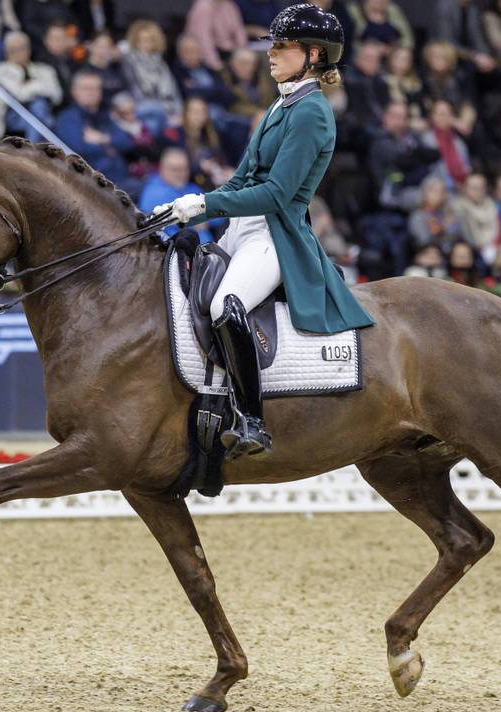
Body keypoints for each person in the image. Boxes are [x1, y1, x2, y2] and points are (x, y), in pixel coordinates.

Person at [149, 2, 373, 458]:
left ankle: (251, 420)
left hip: (275, 234)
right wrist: (185, 207)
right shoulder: (279, 105)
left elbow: (275, 194)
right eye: (272, 46)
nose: (270, 54)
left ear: (313, 54)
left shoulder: (311, 112)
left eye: (281, 46)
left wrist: (205, 204)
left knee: (226, 304)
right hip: (240, 228)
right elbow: (240, 181)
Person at [55, 71, 135, 189]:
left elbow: (127, 142)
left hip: (121, 179)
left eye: (95, 88)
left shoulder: (104, 115)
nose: (91, 93)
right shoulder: (68, 118)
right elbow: (78, 150)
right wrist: (109, 148)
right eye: (86, 88)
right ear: (74, 92)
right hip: (94, 184)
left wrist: (102, 138)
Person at [0, 31, 62, 140]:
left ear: (29, 49)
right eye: (13, 50)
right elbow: (20, 94)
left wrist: (28, 86)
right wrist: (39, 85)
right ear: (6, 53)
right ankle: (36, 146)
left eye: (22, 48)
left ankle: (33, 147)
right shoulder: (0, 70)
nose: (19, 53)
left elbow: (57, 95)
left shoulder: (45, 69)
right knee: (39, 111)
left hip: (42, 114)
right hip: (14, 117)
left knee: (39, 106)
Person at [165, 97, 233, 189]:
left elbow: (221, 158)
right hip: (188, 183)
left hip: (212, 179)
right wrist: (200, 167)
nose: (199, 116)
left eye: (203, 112)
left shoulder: (211, 134)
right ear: (186, 113)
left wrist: (225, 169)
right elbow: (177, 166)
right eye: (195, 112)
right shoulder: (177, 136)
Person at [171, 33, 236, 111]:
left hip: (222, 108)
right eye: (187, 51)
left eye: (195, 50)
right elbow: (189, 95)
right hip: (197, 112)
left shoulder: (208, 69)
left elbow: (228, 95)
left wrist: (202, 90)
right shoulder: (177, 71)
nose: (191, 54)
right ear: (179, 53)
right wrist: (214, 90)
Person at [185, 0, 247, 71]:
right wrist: (215, 63)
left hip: (229, 51)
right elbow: (203, 39)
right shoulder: (203, 7)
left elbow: (239, 30)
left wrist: (243, 51)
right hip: (209, 54)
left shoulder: (230, 5)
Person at [421, 99, 471, 188]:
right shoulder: (426, 139)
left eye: (447, 114)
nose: (444, 118)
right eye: (440, 114)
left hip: (462, 187)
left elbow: (466, 167)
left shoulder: (458, 141)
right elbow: (430, 170)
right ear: (433, 116)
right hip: (437, 187)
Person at [454, 173, 500, 263]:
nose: (478, 191)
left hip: (492, 248)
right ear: (465, 188)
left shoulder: (492, 206)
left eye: (481, 188)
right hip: (469, 250)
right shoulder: (458, 208)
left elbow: (499, 233)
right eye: (474, 188)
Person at [409, 176, 464, 251]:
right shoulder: (418, 216)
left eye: (442, 191)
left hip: (451, 252)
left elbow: (457, 236)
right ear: (424, 193)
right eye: (434, 191)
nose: (438, 194)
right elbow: (425, 242)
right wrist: (443, 227)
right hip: (429, 254)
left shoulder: (447, 213)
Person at [81, 31, 129, 101]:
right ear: (91, 46)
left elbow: (126, 88)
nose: (104, 50)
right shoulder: (85, 71)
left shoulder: (116, 66)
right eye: (101, 46)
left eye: (108, 46)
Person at [349, 0, 414, 49]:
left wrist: (393, 48)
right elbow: (351, 40)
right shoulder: (354, 10)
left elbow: (408, 40)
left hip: (391, 53)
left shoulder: (393, 10)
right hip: (362, 52)